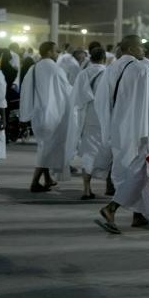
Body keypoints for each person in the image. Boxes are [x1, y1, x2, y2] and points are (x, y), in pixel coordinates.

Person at [95, 35, 149, 233]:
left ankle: (139, 216)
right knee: (138, 173)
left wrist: (108, 128)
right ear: (132, 48)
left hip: (117, 130)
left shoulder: (110, 69)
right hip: (139, 131)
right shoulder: (141, 69)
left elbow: (100, 102)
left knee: (129, 173)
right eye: (140, 47)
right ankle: (111, 208)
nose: (143, 51)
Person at [19, 41, 77, 192]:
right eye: (56, 51)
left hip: (38, 114)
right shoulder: (54, 68)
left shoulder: (34, 67)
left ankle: (47, 179)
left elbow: (26, 91)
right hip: (52, 114)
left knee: (44, 147)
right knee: (46, 149)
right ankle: (34, 182)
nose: (57, 54)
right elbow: (65, 90)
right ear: (50, 52)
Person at [72, 46, 110, 200]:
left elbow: (77, 98)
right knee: (108, 151)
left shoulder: (83, 74)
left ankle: (86, 189)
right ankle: (110, 186)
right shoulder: (108, 73)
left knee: (88, 153)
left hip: (88, 117)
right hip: (105, 118)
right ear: (104, 58)